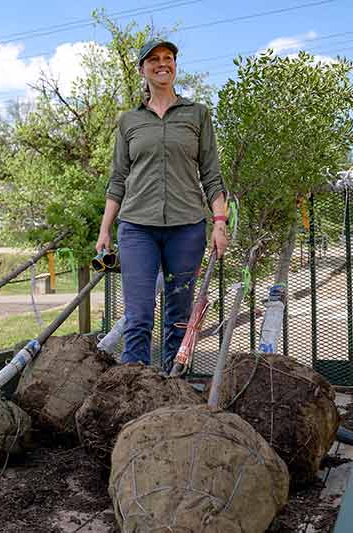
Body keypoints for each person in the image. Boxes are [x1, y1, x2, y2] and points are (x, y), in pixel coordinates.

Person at [95, 39, 229, 372]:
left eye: (168, 58)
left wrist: (220, 222)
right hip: (137, 228)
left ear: (175, 65)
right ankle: (133, 388)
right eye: (153, 59)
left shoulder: (197, 114)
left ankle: (174, 388)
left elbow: (212, 176)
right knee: (137, 315)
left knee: (179, 318)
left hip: (187, 229)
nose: (162, 63)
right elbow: (117, 180)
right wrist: (104, 230)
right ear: (142, 69)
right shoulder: (129, 121)